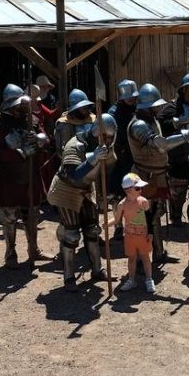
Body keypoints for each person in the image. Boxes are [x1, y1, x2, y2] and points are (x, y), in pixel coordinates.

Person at [128, 83, 189, 264]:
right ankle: (140, 258)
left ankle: (159, 253)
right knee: (143, 218)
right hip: (144, 177)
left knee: (155, 214)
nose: (158, 108)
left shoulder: (151, 120)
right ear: (147, 107)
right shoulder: (138, 125)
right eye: (155, 106)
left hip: (158, 175)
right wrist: (187, 135)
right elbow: (160, 144)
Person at [47, 114, 116, 292]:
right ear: (97, 132)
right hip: (67, 190)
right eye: (106, 136)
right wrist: (93, 158)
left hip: (86, 189)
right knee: (71, 235)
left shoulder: (105, 146)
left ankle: (97, 269)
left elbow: (106, 169)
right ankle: (69, 277)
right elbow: (74, 174)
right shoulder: (74, 145)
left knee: (93, 231)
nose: (108, 140)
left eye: (110, 137)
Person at [0, 84, 52, 269]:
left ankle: (34, 250)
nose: (23, 107)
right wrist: (19, 153)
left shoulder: (30, 118)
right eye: (18, 105)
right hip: (10, 175)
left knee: (31, 214)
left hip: (31, 172)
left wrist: (40, 140)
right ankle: (10, 254)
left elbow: (45, 138)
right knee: (9, 216)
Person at [158, 74, 189, 230]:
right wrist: (181, 120)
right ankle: (176, 215)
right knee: (178, 191)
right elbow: (162, 124)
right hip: (179, 155)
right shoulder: (172, 107)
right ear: (183, 91)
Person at [114, 173, 155, 293]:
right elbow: (117, 219)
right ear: (128, 190)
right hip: (129, 237)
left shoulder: (144, 202)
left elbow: (149, 218)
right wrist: (107, 224)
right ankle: (131, 280)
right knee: (131, 258)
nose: (140, 190)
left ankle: (149, 279)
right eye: (138, 188)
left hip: (143, 236)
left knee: (145, 257)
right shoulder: (122, 205)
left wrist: (151, 233)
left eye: (141, 188)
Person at [108, 79, 139, 238]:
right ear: (121, 97)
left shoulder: (137, 110)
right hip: (118, 158)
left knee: (135, 192)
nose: (132, 100)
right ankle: (118, 224)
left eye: (134, 97)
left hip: (134, 156)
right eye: (129, 97)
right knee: (116, 194)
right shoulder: (113, 114)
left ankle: (133, 224)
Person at [54, 89, 95, 158]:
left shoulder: (93, 119)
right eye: (83, 107)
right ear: (75, 109)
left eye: (86, 106)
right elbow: (62, 151)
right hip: (72, 159)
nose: (86, 109)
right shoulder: (64, 123)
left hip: (94, 157)